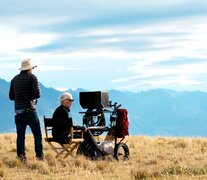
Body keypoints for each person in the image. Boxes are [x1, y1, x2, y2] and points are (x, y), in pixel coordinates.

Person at [9, 59, 44, 162]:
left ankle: (21, 158)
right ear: (29, 68)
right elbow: (37, 94)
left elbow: (11, 97)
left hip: (18, 111)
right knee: (37, 135)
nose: (32, 70)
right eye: (32, 68)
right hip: (30, 110)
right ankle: (39, 157)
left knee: (20, 137)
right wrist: (30, 97)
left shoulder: (14, 79)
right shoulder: (32, 77)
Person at [52, 92, 106, 158]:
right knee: (87, 133)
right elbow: (70, 127)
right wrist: (82, 128)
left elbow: (67, 126)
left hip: (58, 135)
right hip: (63, 137)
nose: (71, 102)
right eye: (70, 100)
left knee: (85, 136)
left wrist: (79, 127)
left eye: (72, 101)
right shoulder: (63, 111)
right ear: (64, 100)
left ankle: (83, 155)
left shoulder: (59, 110)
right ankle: (98, 152)